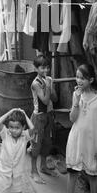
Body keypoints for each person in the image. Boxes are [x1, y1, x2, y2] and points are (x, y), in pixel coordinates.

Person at [59, 64, 97, 193]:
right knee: (72, 172)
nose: (78, 80)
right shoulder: (76, 95)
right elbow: (72, 119)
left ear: (91, 80)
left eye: (82, 78)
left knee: (93, 175)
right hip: (76, 140)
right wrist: (76, 101)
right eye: (77, 77)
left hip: (92, 143)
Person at [30, 55, 57, 184]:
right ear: (36, 68)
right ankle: (33, 171)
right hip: (38, 117)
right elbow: (45, 101)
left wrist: (50, 86)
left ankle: (43, 166)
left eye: (47, 67)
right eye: (42, 68)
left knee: (47, 143)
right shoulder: (36, 83)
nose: (45, 70)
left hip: (49, 116)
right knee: (36, 145)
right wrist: (47, 85)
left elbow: (55, 99)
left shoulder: (48, 80)